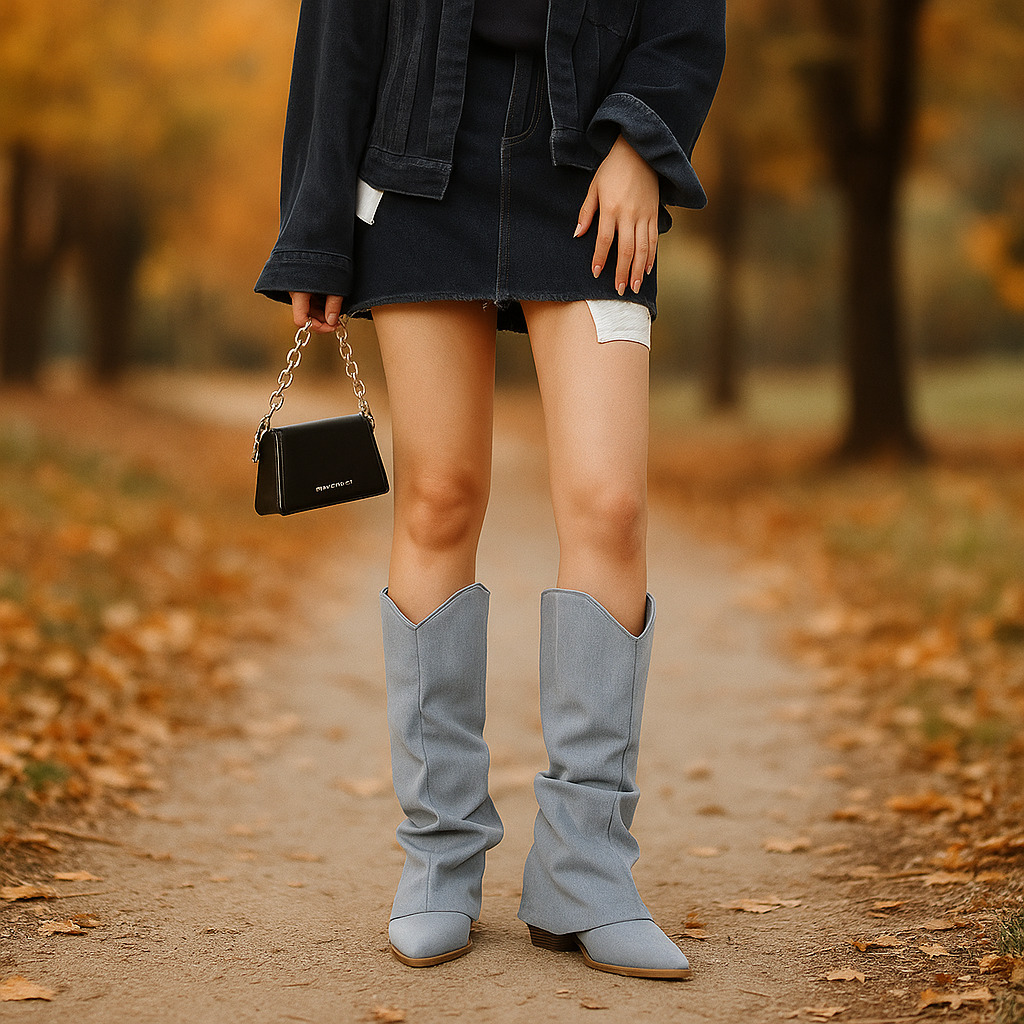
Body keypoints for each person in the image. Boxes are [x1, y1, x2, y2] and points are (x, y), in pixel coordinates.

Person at [256, 0, 725, 980]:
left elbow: (689, 14)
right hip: (418, 174)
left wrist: (644, 137)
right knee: (438, 496)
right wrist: (316, 231)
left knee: (609, 502)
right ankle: (439, 855)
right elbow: (341, 33)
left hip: (592, 171)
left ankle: (586, 868)